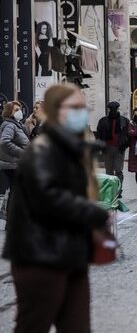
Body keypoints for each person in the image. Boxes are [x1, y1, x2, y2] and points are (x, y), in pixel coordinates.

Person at [2, 84, 110, 333]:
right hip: (39, 255)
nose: (80, 113)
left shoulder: (68, 148)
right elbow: (48, 196)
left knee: (77, 327)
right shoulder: (41, 149)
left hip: (71, 253)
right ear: (55, 111)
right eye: (73, 108)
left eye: (82, 107)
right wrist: (91, 212)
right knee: (33, 325)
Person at [96, 101, 130, 197]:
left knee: (118, 170)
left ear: (118, 109)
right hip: (107, 149)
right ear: (109, 110)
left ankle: (118, 190)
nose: (114, 111)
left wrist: (125, 144)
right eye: (112, 109)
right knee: (109, 171)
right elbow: (98, 134)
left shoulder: (124, 120)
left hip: (119, 149)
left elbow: (128, 134)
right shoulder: (103, 121)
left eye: (115, 109)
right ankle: (111, 190)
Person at [0, 101, 30, 195]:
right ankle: (12, 209)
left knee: (16, 190)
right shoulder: (10, 125)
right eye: (16, 110)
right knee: (17, 191)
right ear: (9, 112)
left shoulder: (17, 125)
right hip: (13, 164)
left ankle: (13, 209)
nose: (19, 112)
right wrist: (22, 153)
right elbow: (4, 142)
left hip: (16, 163)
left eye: (20, 109)